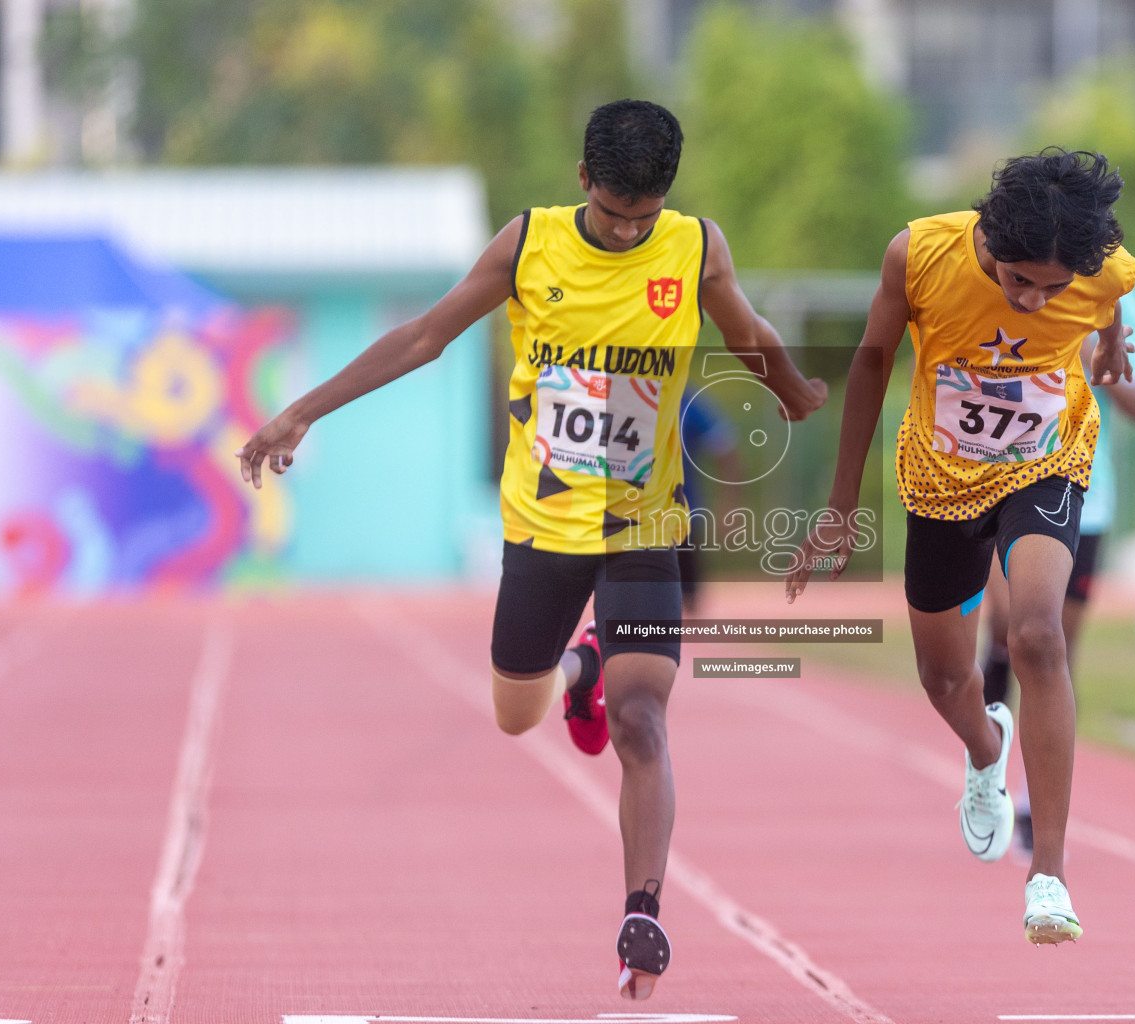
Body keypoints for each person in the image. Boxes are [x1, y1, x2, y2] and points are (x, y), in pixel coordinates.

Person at [235, 99, 826, 999]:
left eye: (646, 214)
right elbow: (423, 338)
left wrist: (790, 388)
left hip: (646, 523)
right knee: (518, 713)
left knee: (644, 720)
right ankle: (577, 675)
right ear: (583, 181)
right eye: (615, 212)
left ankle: (643, 915)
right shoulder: (528, 245)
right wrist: (303, 410)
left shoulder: (695, 246)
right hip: (542, 524)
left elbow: (749, 335)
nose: (630, 232)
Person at [785, 148, 1135, 945]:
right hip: (940, 478)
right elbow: (872, 368)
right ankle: (986, 749)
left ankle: (1047, 874)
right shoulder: (921, 255)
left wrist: (1109, 344)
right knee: (946, 677)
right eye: (1020, 282)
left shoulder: (1104, 267)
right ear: (989, 237)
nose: (1037, 299)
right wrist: (841, 505)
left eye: (1054, 288)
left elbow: (1112, 292)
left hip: (1046, 461)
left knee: (1038, 634)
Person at [982, 285, 1135, 858]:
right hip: (998, 486)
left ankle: (1036, 804)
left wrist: (1094, 351)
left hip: (1083, 497)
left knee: (1052, 651)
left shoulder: (1121, 303)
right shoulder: (1005, 283)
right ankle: (986, 769)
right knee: (1013, 630)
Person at [677, 385, 744, 615]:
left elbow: (726, 451)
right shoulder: (631, 395)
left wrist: (729, 505)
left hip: (683, 515)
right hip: (634, 516)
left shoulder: (690, 402)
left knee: (689, 593)